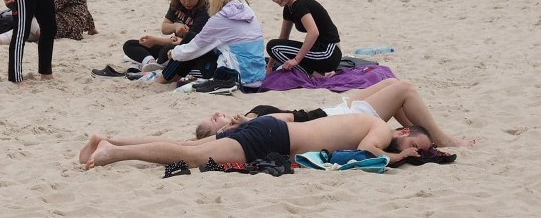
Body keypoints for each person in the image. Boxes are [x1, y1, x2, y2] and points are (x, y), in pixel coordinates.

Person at [80, 113, 432, 170]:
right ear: (404, 131)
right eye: (421, 144)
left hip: (271, 129)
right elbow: (369, 151)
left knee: (188, 147)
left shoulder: (368, 121)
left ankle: (108, 139)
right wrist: (399, 157)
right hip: (272, 136)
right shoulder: (383, 130)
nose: (420, 150)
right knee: (193, 157)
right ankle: (113, 153)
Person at [196, 78, 474, 147]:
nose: (218, 113)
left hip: (336, 109)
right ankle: (440, 137)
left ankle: (416, 132)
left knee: (393, 86)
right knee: (404, 90)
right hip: (339, 120)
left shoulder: (249, 115)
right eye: (214, 120)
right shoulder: (253, 122)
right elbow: (286, 121)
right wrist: (246, 121)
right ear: (221, 131)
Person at [155, 0, 265, 86]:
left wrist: (173, 53)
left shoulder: (220, 18)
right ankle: (171, 77)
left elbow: (195, 46)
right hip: (257, 75)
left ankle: (164, 78)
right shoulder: (246, 9)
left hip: (236, 76)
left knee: (189, 43)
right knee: (185, 49)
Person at [120, 0, 209, 69]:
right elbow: (164, 28)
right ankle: (150, 61)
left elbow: (190, 42)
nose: (187, 2)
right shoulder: (177, 3)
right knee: (129, 45)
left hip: (186, 47)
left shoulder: (204, 11)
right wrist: (175, 26)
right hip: (172, 42)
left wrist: (155, 40)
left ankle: (153, 63)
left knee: (164, 52)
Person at [264, 0, 341, 76]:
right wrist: (270, 66)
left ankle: (317, 76)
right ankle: (316, 72)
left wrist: (296, 60)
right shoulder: (288, 7)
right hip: (321, 50)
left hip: (329, 53)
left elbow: (313, 32)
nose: (276, 0)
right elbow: (283, 38)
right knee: (274, 46)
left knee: (274, 46)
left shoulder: (299, 5)